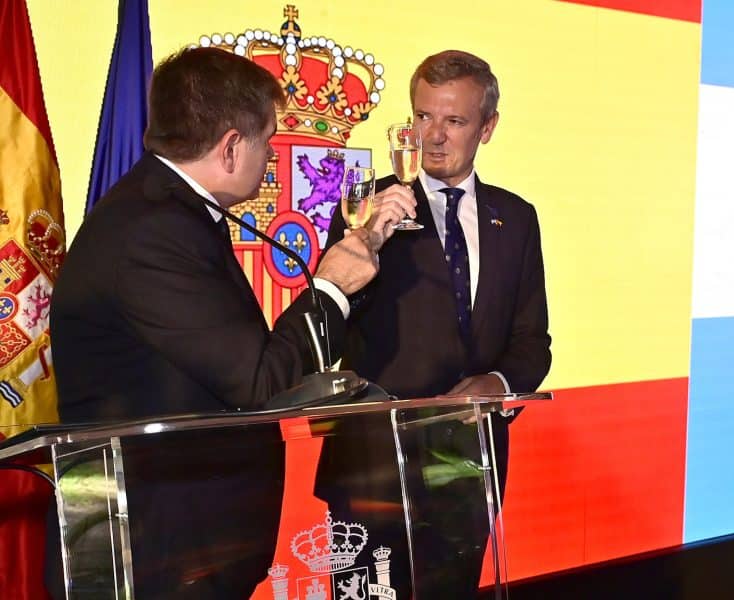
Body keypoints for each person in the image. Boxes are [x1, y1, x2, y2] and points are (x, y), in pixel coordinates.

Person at [47, 47, 413, 598]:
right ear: (231, 147)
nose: (271, 158)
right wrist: (332, 286)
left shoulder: (167, 212)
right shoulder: (153, 231)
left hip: (186, 546)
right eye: (268, 141)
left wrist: (356, 261)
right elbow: (259, 382)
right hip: (155, 554)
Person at [321, 49, 551, 598]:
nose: (434, 137)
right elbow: (331, 325)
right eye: (423, 117)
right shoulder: (366, 208)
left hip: (467, 467)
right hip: (374, 467)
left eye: (454, 121)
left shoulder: (516, 218)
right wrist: (366, 242)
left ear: (487, 127)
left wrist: (497, 383)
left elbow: (532, 342)